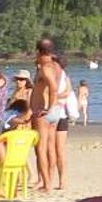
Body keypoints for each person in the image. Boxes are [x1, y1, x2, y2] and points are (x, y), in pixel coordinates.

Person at [29, 35, 77, 193]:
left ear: (39, 51)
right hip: (55, 111)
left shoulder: (46, 68)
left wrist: (48, 107)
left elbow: (53, 88)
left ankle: (47, 184)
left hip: (45, 111)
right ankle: (48, 180)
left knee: (42, 149)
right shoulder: (56, 66)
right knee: (50, 148)